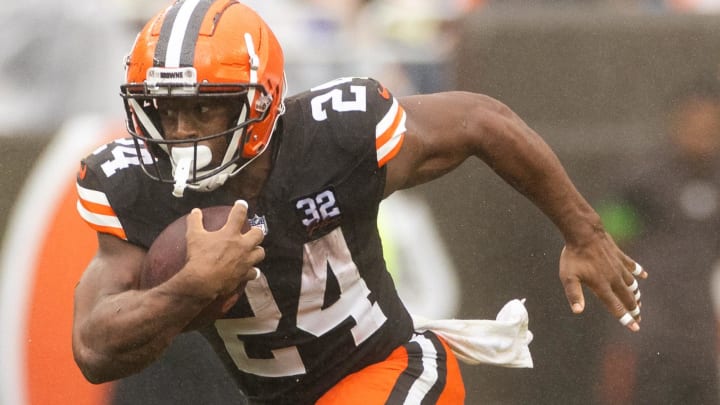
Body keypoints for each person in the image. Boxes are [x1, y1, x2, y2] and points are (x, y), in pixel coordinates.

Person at [72, 1, 646, 404]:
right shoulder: (136, 186)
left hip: (389, 368)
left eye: (203, 109)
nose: (181, 129)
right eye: (165, 110)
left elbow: (481, 119)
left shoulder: (333, 136)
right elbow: (93, 349)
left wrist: (585, 232)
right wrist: (189, 288)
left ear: (261, 100)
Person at [596, 75, 720, 405]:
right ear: (677, 122)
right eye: (694, 122)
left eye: (710, 124)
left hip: (704, 336)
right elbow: (606, 241)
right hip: (648, 333)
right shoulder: (643, 180)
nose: (701, 132)